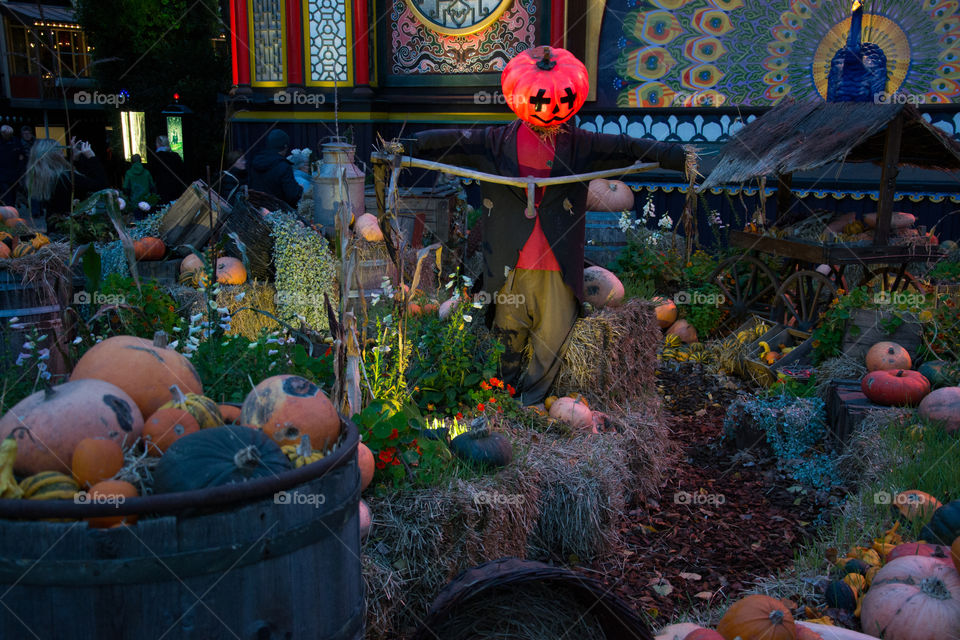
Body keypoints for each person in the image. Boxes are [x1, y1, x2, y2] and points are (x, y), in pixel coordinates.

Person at [412, 46, 689, 405]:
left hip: (558, 268)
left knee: (552, 341)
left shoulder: (579, 145)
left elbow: (624, 146)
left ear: (571, 98)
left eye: (557, 100)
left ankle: (532, 406)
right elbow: (453, 140)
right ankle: (501, 401)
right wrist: (411, 144)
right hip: (510, 267)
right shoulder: (496, 143)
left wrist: (671, 155)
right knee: (506, 338)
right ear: (518, 96)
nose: (547, 109)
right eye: (539, 98)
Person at [25, 137, 107, 233]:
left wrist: (75, 159)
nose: (63, 153)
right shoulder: (64, 178)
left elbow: (78, 183)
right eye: (60, 151)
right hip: (72, 228)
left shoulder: (41, 177)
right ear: (53, 155)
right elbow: (101, 185)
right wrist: (91, 157)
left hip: (54, 226)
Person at [249, 129, 301, 208]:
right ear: (285, 147)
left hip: (256, 211)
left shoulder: (255, 162)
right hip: (278, 214)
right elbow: (292, 196)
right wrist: (300, 189)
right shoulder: (283, 167)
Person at [149, 135, 186, 204]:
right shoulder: (176, 156)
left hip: (162, 188)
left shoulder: (155, 157)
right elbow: (182, 171)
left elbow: (152, 173)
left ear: (159, 144)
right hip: (176, 187)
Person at [0, 125, 24, 206]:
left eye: (9, 134)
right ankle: (9, 210)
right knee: (7, 193)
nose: (7, 135)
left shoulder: (16, 141)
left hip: (14, 172)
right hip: (2, 172)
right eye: (5, 134)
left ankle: (11, 208)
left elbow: (21, 155)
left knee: (13, 193)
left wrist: (20, 167)